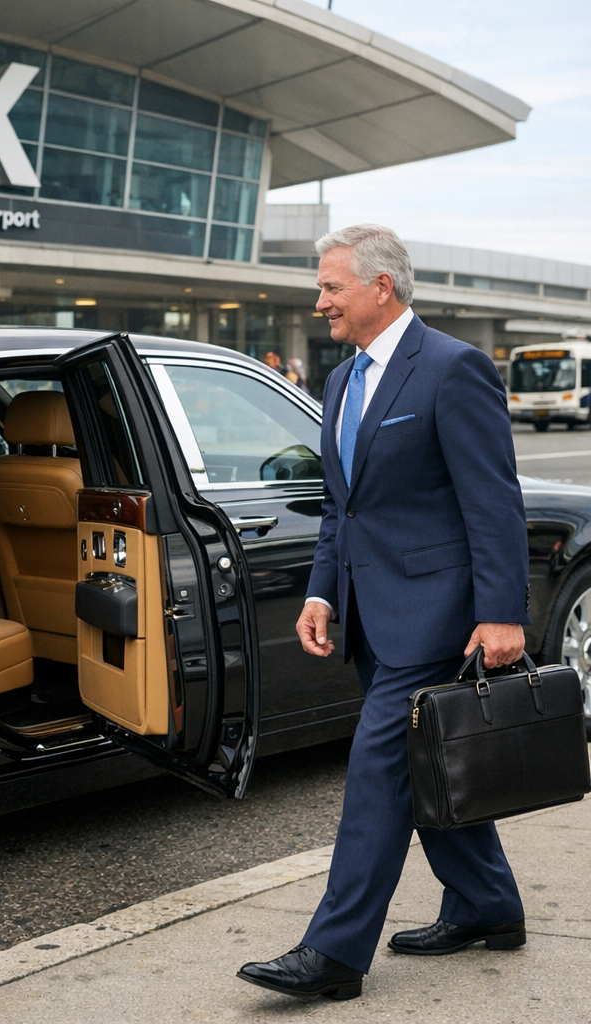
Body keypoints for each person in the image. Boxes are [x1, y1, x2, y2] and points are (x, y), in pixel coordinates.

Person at [237, 224, 530, 1001]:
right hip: (371, 612)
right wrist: (322, 589)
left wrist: (503, 614)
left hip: (435, 614)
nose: (320, 300)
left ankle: (333, 954)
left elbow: (493, 503)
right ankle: (488, 907)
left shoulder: (452, 368)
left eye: (331, 286)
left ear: (380, 289)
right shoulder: (340, 381)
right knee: (430, 760)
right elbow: (344, 508)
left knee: (377, 770)